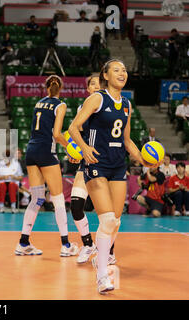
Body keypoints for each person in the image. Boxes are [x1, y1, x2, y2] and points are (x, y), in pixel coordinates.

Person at [68, 59, 160, 294]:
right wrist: (84, 149)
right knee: (107, 219)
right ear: (105, 76)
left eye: (124, 70)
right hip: (96, 163)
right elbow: (73, 127)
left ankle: (100, 255)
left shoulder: (127, 104)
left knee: (115, 221)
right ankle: (101, 276)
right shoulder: (97, 98)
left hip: (118, 165)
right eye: (116, 70)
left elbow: (127, 140)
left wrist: (144, 160)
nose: (122, 73)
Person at [16, 75, 78, 258]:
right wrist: (71, 147)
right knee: (58, 198)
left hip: (31, 150)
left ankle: (23, 243)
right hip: (46, 151)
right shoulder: (61, 105)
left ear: (46, 87)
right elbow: (57, 134)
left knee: (37, 199)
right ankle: (66, 245)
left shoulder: (38, 103)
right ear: (61, 88)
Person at [68, 75, 100, 264]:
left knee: (109, 214)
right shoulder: (82, 109)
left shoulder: (109, 106)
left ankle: (109, 251)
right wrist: (75, 152)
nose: (96, 86)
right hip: (87, 162)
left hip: (106, 163)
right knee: (76, 205)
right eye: (92, 84)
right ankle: (88, 244)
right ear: (87, 89)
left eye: (99, 83)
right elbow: (76, 135)